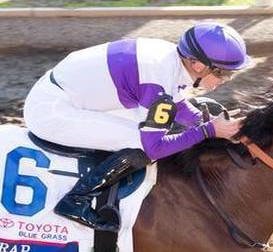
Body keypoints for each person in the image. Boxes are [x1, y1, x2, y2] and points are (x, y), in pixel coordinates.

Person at [23, 21, 250, 231]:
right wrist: (208, 130)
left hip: (62, 93)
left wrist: (202, 121)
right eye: (223, 73)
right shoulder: (159, 81)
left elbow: (176, 101)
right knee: (139, 145)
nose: (225, 80)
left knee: (140, 130)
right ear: (198, 65)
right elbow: (154, 148)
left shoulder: (171, 58)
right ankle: (75, 201)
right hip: (52, 112)